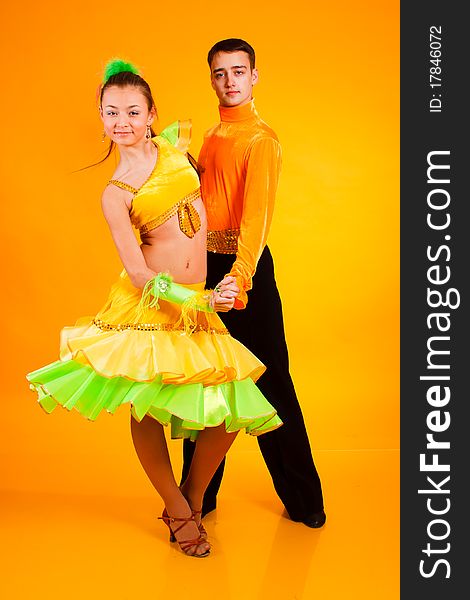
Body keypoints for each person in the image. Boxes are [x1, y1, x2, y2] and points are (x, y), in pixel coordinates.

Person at [26, 58, 282, 558]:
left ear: (150, 115)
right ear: (100, 119)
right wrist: (198, 297)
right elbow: (141, 273)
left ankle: (189, 499)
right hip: (154, 304)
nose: (121, 122)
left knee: (226, 413)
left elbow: (221, 185)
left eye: (132, 111)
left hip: (200, 302)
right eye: (111, 112)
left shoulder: (175, 147)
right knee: (146, 408)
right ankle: (177, 508)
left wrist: (237, 268)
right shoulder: (114, 194)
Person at [181, 39, 326, 528]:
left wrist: (238, 280)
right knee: (201, 381)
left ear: (254, 76)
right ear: (212, 79)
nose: (230, 81)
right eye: (220, 73)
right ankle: (194, 499)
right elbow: (203, 202)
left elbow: (255, 221)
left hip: (245, 271)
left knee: (270, 384)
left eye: (238, 71)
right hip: (204, 266)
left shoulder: (262, 139)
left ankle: (305, 501)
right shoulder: (211, 134)